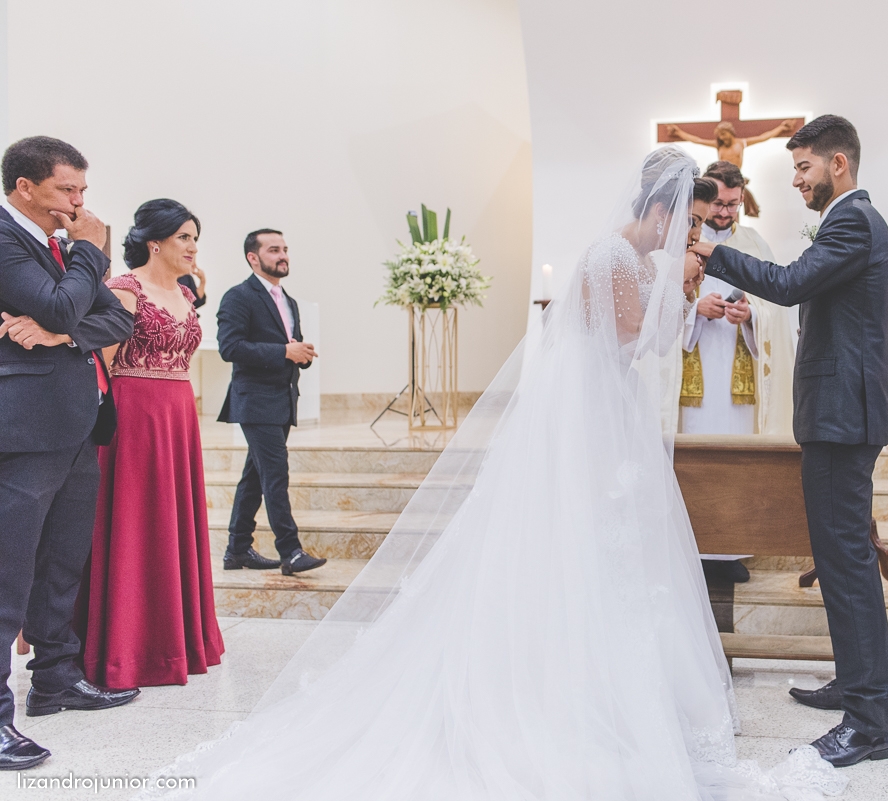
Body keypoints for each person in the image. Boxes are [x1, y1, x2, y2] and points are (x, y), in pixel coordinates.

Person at [138, 147, 846, 801]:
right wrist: (679, 285)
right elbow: (630, 336)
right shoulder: (607, 256)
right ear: (660, 211)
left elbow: (655, 344)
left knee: (620, 548)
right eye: (685, 222)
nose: (687, 236)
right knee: (578, 536)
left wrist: (681, 289)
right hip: (588, 414)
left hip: (615, 406)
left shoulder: (645, 259)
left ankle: (626, 689)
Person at [692, 115, 888, 767]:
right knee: (841, 560)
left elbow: (785, 285)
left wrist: (709, 251)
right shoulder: (855, 221)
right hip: (838, 414)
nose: (797, 181)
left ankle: (869, 721)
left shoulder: (850, 221)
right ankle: (855, 682)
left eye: (803, 168)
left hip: (842, 417)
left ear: (838, 163)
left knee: (848, 562)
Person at [0, 136, 138, 771]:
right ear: (25, 187)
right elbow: (64, 297)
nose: (79, 204)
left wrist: (59, 332)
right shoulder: (9, 239)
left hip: (78, 425)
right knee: (8, 575)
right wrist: (90, 248)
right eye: (67, 191)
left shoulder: (57, 245)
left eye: (82, 192)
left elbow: (117, 321)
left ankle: (55, 681)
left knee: (62, 564)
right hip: (22, 433)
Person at [75, 199, 225, 689]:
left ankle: (175, 640)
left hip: (179, 414)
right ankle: (123, 649)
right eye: (184, 237)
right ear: (154, 241)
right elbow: (100, 364)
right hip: (134, 417)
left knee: (172, 522)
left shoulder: (184, 291)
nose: (193, 246)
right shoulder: (125, 290)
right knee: (135, 522)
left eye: (194, 237)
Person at [682, 160, 796, 583]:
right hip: (690, 374)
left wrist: (752, 315)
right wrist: (695, 310)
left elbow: (778, 305)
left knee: (735, 460)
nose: (725, 213)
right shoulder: (683, 238)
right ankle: (692, 547)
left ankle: (730, 550)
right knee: (696, 459)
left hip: (739, 371)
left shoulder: (753, 243)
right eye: (718, 204)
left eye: (734, 204)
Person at [217, 229, 325, 575]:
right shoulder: (238, 297)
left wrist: (301, 355)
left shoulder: (288, 300)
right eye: (274, 249)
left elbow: (291, 345)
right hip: (255, 401)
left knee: (255, 476)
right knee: (275, 474)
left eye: (285, 249)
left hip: (282, 400)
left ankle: (237, 549)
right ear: (253, 257)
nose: (283, 256)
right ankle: (290, 551)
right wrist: (284, 351)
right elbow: (230, 348)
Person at [667, 118, 797, 217]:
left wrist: (781, 128)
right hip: (721, 179)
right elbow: (697, 140)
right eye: (720, 136)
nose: (722, 138)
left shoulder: (740, 143)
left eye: (724, 134)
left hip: (735, 178)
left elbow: (763, 137)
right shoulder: (720, 146)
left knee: (734, 203)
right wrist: (678, 132)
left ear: (730, 133)